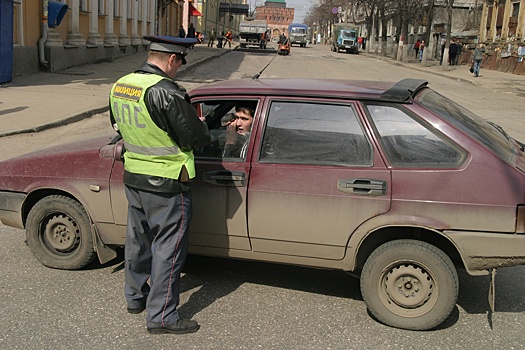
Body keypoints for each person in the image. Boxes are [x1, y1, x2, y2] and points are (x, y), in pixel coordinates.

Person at [109, 35, 211, 335]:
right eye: (180, 61)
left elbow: (117, 126)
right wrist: (204, 125)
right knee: (168, 248)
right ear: (170, 59)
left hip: (134, 177)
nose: (179, 68)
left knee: (138, 240)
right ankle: (162, 316)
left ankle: (134, 297)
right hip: (167, 182)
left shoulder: (121, 85)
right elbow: (196, 138)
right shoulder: (167, 92)